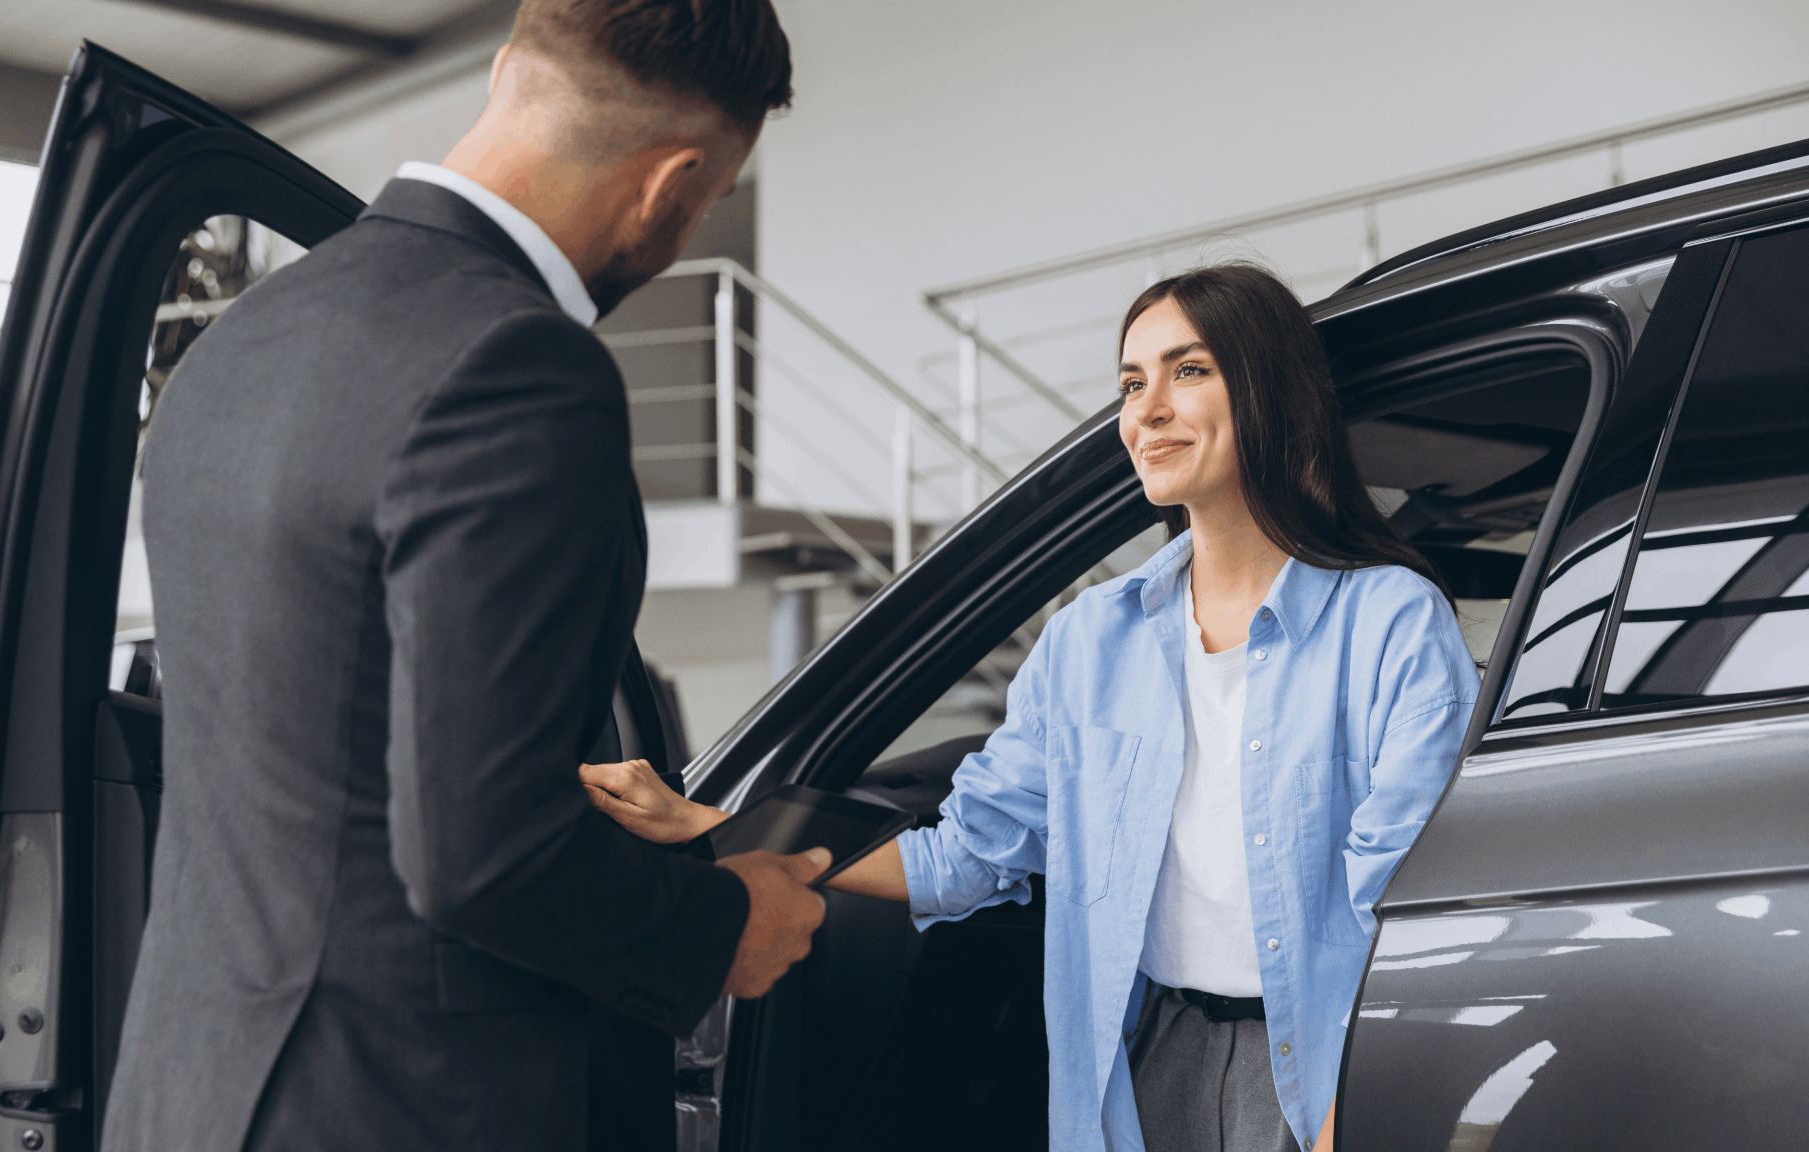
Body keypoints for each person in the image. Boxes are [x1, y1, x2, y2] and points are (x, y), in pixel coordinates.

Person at [102, 3, 824, 1151]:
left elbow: (316, 741)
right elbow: (483, 857)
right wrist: (722, 922)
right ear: (673, 181)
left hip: (194, 1094)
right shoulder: (520, 363)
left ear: (505, 73)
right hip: (397, 1104)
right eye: (708, 202)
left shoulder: (242, 339)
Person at [581, 264, 1479, 1152]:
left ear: (1270, 391)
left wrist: (1344, 1119)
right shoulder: (1089, 642)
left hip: (1329, 1066)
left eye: (1188, 371)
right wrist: (715, 820)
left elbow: (1412, 903)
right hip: (1144, 1067)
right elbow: (969, 852)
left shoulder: (1389, 620)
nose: (1147, 410)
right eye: (1133, 383)